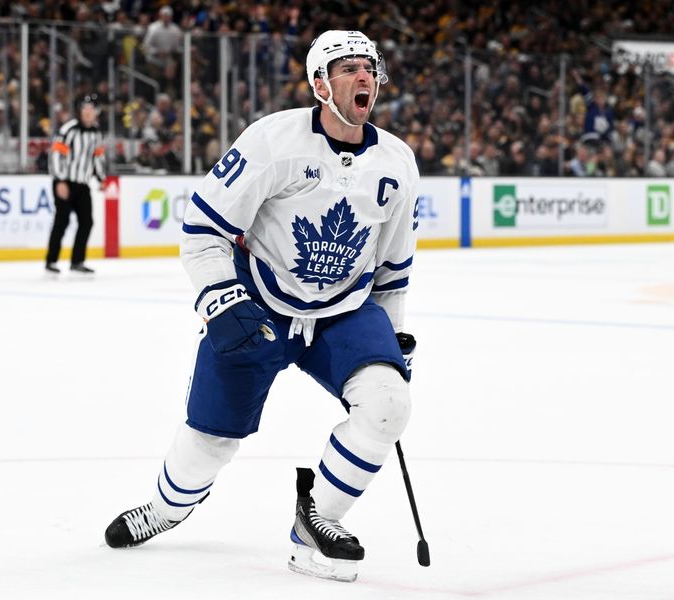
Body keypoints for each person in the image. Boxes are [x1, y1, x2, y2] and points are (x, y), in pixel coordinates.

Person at [104, 30, 419, 583]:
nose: (363, 76)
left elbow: (393, 267)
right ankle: (167, 509)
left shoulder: (397, 162)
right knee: (209, 440)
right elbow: (204, 231)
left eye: (369, 67)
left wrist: (393, 334)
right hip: (261, 303)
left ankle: (314, 525)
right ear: (320, 84)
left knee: (388, 404)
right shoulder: (273, 142)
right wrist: (223, 299)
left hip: (344, 309)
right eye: (346, 68)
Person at [45, 94, 105, 274]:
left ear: (96, 113)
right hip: (65, 182)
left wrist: (101, 178)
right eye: (84, 109)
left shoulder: (96, 132)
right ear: (80, 111)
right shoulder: (68, 129)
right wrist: (60, 180)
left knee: (87, 221)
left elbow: (97, 157)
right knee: (61, 221)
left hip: (82, 184)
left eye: (91, 110)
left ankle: (77, 261)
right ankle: (51, 260)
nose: (87, 113)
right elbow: (56, 155)